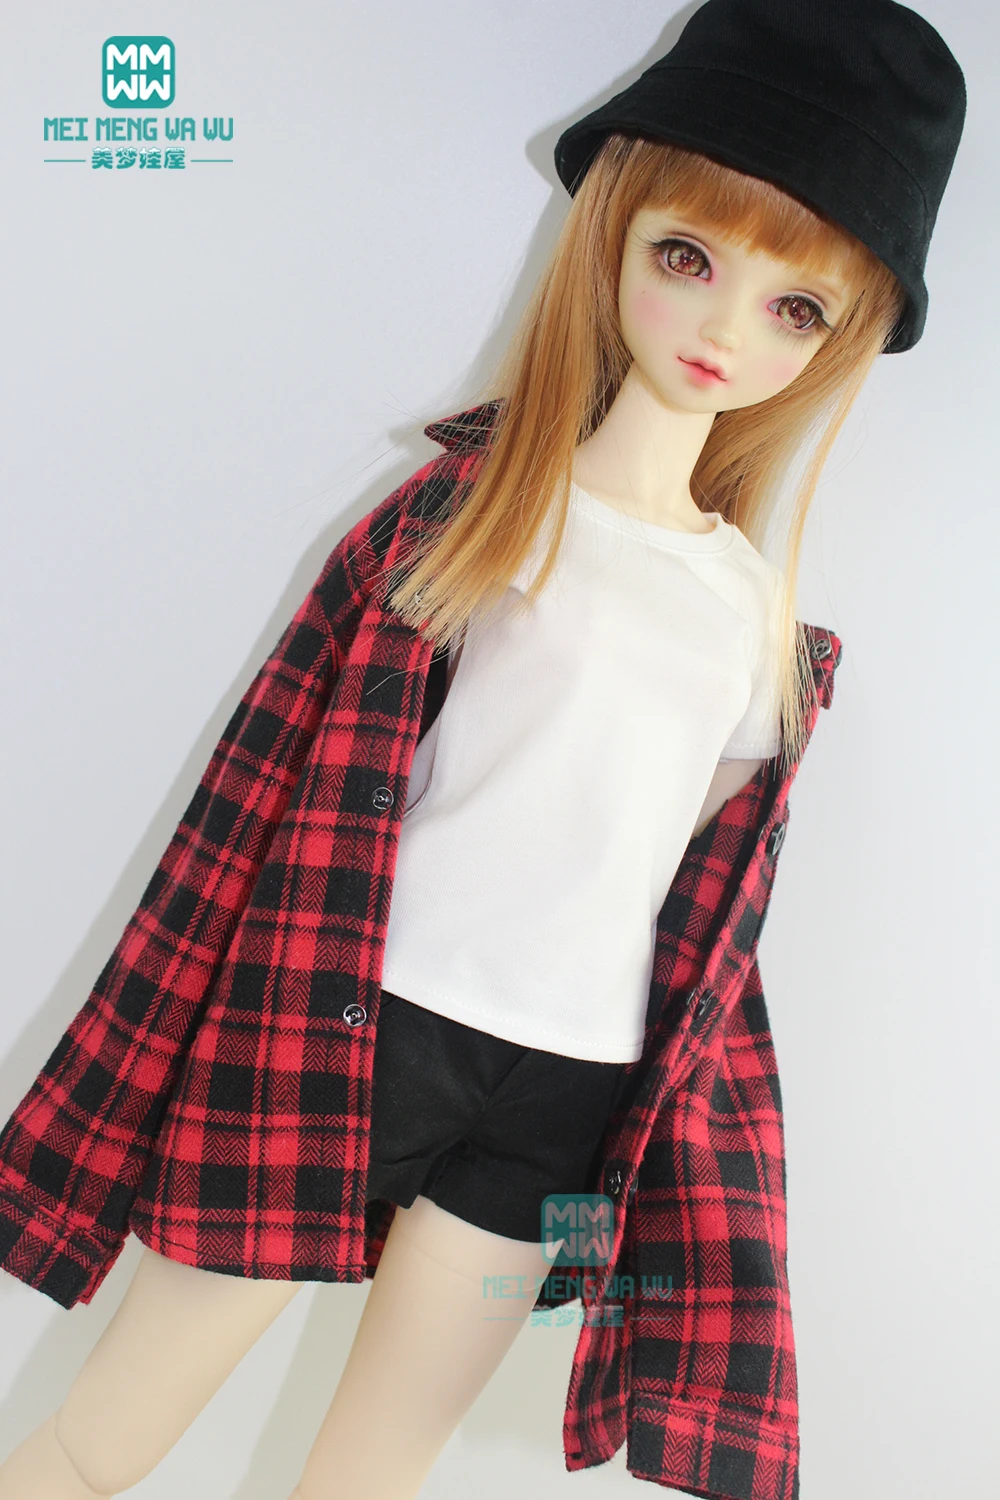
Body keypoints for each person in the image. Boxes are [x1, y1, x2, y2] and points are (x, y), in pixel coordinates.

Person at [0, 3, 966, 1498]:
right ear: (614, 232)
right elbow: (262, 798)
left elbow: (691, 900)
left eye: (797, 309)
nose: (724, 330)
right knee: (104, 1435)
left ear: (837, 345)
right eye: (689, 258)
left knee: (373, 1474)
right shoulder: (475, 520)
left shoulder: (758, 623)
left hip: (569, 1096)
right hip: (357, 1029)